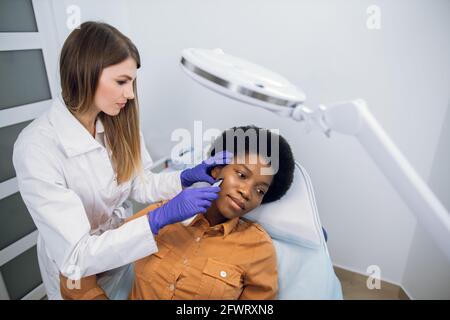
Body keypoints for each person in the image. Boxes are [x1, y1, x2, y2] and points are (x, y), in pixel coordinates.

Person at [12, 21, 231, 300]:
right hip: (75, 271)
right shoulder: (37, 148)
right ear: (84, 74)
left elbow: (140, 184)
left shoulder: (117, 123)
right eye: (121, 82)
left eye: (132, 82)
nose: (129, 94)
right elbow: (77, 255)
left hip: (120, 250)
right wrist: (156, 219)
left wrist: (184, 177)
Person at [60, 125, 296, 300]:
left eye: (260, 190)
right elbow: (78, 269)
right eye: (242, 175)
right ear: (216, 170)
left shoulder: (258, 248)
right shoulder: (163, 215)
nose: (246, 192)